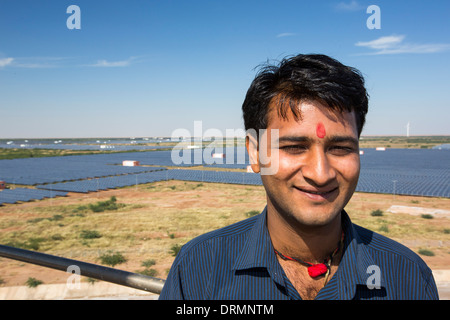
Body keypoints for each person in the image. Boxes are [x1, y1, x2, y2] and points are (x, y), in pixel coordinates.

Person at [159, 54, 439, 300]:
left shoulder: (408, 278)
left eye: (340, 148)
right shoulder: (198, 269)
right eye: (294, 147)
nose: (320, 173)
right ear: (255, 154)